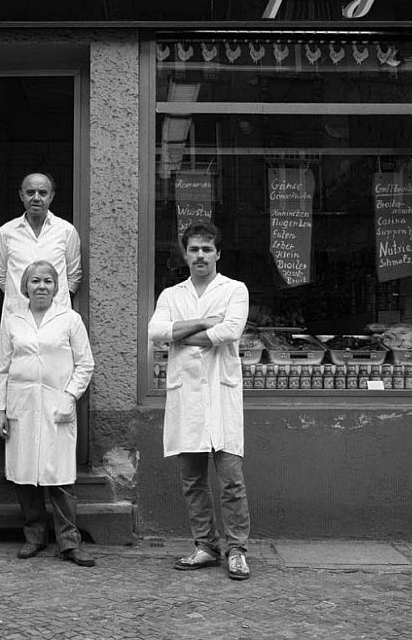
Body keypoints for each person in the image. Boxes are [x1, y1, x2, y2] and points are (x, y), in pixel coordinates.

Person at [147, 223, 253, 581]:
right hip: (187, 395)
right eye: (194, 249)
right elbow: (156, 332)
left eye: (207, 249)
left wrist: (183, 335)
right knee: (193, 480)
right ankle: (206, 546)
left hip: (221, 394)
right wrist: (206, 321)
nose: (200, 255)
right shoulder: (171, 294)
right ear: (185, 254)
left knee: (231, 480)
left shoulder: (235, 290)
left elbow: (231, 331)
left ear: (218, 253)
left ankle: (237, 549)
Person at [0, 259, 96, 567]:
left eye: (47, 281)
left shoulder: (70, 319)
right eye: (35, 281)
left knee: (60, 477)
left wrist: (70, 395)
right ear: (25, 287)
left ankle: (68, 542)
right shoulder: (13, 320)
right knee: (25, 476)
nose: (41, 286)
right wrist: (0, 410)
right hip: (21, 406)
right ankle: (35, 536)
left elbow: (85, 364)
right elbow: (2, 369)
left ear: (56, 286)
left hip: (57, 405)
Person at [0, 173, 81, 315]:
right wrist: (20, 297)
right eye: (30, 192)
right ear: (21, 196)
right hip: (17, 316)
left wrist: (56, 300)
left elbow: (74, 275)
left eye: (42, 193)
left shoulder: (66, 231)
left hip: (56, 318)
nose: (36, 198)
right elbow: (1, 275)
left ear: (51, 196)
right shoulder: (6, 232)